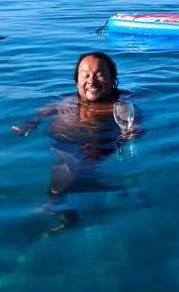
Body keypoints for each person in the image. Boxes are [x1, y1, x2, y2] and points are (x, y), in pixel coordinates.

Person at [12, 52, 139, 230]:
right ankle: (68, 207)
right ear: (76, 81)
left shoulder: (120, 103)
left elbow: (130, 120)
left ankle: (55, 206)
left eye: (99, 74)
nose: (91, 81)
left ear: (112, 79)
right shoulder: (67, 101)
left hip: (97, 144)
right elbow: (43, 112)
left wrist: (132, 129)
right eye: (85, 75)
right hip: (63, 143)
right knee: (67, 165)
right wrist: (31, 123)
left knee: (71, 165)